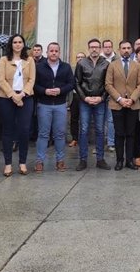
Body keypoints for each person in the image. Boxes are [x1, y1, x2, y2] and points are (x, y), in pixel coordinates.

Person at [0, 34, 35, 176]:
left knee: (24, 130)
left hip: (25, 97)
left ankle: (22, 162)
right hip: (6, 98)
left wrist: (22, 94)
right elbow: (0, 79)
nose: (17, 44)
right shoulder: (4, 60)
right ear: (11, 44)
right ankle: (7, 164)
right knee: (8, 130)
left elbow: (32, 80)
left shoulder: (30, 60)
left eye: (20, 42)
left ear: (23, 44)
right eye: (15, 42)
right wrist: (13, 95)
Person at [34, 42, 75, 173]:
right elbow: (34, 85)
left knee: (60, 134)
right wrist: (45, 91)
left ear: (59, 52)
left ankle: (60, 161)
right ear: (47, 52)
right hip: (44, 104)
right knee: (43, 134)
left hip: (60, 105)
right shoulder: (39, 67)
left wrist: (61, 90)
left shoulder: (66, 67)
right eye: (51, 51)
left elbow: (71, 84)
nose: (53, 53)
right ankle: (40, 161)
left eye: (56, 51)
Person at [105, 40, 140, 171]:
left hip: (133, 105)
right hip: (117, 104)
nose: (126, 50)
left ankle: (129, 161)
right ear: (119, 49)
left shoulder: (137, 65)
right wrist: (120, 99)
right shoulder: (113, 65)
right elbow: (108, 84)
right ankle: (119, 161)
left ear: (132, 49)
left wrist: (132, 99)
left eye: (128, 48)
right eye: (123, 48)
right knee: (119, 133)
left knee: (131, 134)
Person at [74, 38, 111, 171]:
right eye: (92, 47)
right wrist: (85, 98)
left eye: (96, 47)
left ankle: (100, 159)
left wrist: (101, 98)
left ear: (100, 49)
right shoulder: (82, 63)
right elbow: (77, 82)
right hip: (85, 101)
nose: (94, 49)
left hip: (100, 102)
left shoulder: (106, 64)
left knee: (100, 130)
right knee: (83, 130)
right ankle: (83, 160)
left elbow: (108, 84)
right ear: (88, 48)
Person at [101, 39, 117, 153]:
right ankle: (100, 144)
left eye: (109, 46)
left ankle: (111, 143)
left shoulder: (117, 59)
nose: (107, 48)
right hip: (100, 93)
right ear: (102, 48)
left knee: (111, 120)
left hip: (113, 94)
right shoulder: (98, 59)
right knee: (99, 120)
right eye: (105, 46)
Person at [68, 52, 86, 148]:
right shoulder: (71, 69)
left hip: (85, 97)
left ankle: (84, 139)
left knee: (85, 119)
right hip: (74, 97)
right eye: (78, 57)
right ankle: (74, 139)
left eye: (82, 57)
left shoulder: (88, 68)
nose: (80, 59)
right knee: (74, 118)